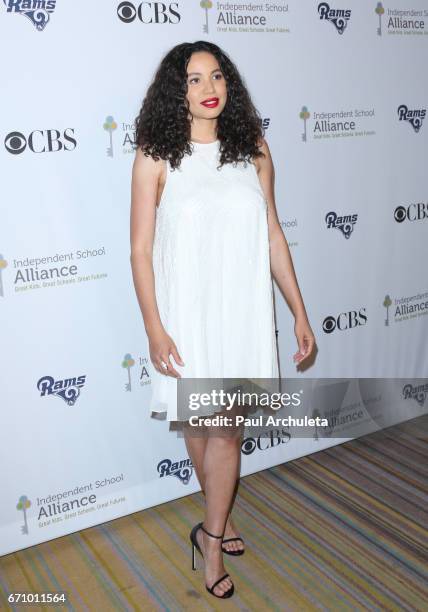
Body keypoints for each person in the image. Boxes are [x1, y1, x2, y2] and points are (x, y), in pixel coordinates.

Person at [130, 40, 316, 599]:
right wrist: (154, 327)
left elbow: (274, 236)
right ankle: (220, 514)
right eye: (193, 79)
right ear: (176, 90)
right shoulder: (155, 156)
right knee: (198, 427)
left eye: (217, 76)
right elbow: (140, 249)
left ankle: (208, 541)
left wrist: (299, 313)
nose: (209, 89)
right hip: (186, 316)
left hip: (240, 312)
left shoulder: (253, 149)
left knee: (226, 430)